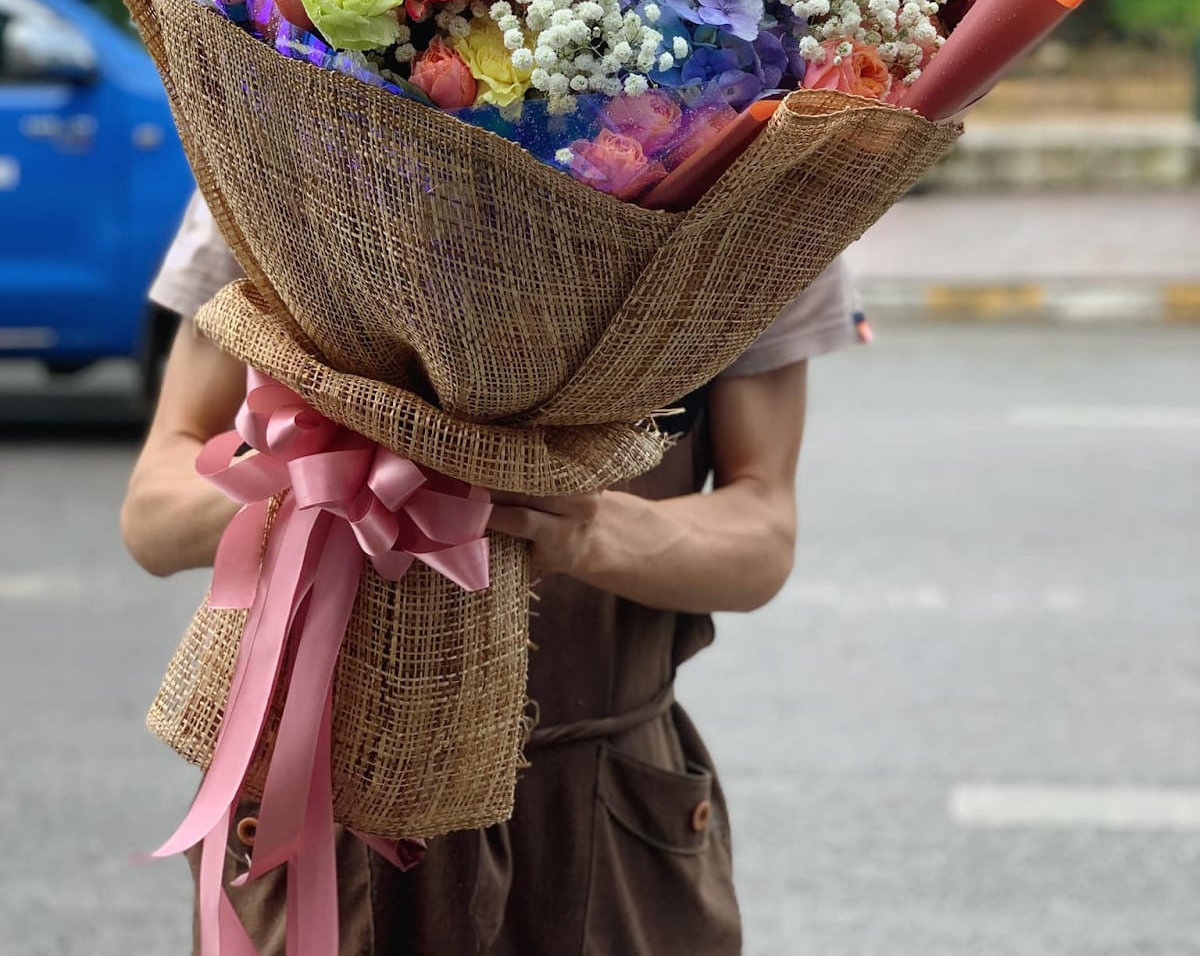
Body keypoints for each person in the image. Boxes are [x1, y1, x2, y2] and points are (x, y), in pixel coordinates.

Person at [122, 192, 859, 956]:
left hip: (603, 815)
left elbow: (763, 534)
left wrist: (589, 531)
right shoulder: (272, 150)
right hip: (323, 817)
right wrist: (324, 477)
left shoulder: (767, 182)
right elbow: (153, 513)